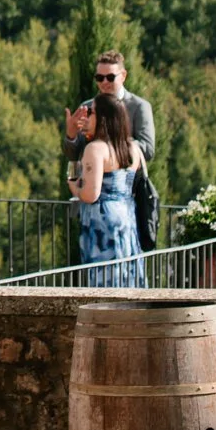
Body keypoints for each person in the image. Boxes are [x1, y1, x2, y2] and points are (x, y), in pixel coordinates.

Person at [67, 91, 146, 286]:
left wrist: (74, 188)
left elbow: (90, 194)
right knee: (127, 274)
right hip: (126, 215)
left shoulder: (96, 149)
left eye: (91, 112)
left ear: (102, 117)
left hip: (101, 220)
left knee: (104, 279)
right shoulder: (132, 148)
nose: (87, 116)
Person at [65, 50, 154, 170]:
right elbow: (73, 157)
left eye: (110, 77)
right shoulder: (87, 107)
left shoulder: (139, 106)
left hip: (124, 185)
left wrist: (103, 137)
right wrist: (71, 136)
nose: (105, 82)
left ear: (123, 76)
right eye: (100, 78)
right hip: (88, 184)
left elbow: (147, 150)